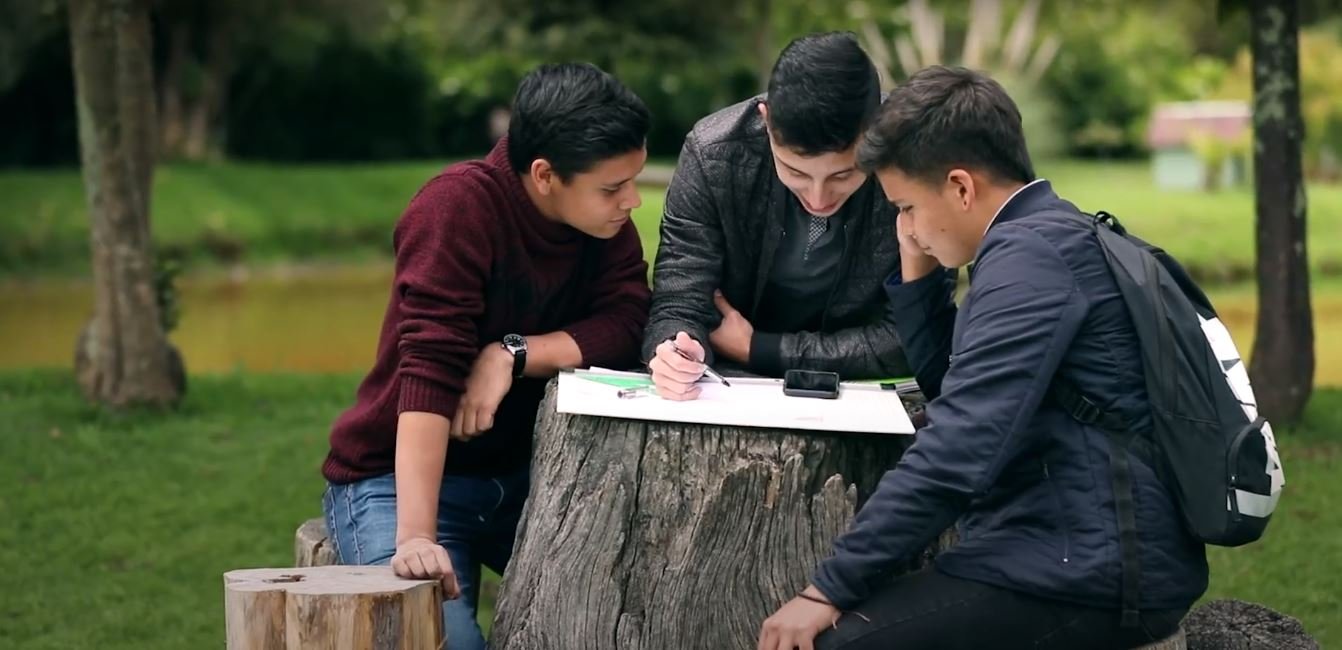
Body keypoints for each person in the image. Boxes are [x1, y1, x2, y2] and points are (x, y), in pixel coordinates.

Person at [758, 65, 1207, 650]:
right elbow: (961, 389)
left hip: (1088, 575)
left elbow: (958, 447)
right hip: (1071, 555)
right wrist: (917, 278)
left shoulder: (1031, 259)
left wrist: (827, 590)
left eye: (906, 207)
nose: (908, 229)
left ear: (961, 188)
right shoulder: (1045, 236)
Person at [320, 62, 652, 649]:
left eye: (634, 181)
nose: (631, 202)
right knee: (441, 642)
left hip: (533, 480)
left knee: (615, 624)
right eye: (611, 187)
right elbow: (427, 371)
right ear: (545, 174)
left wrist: (512, 354)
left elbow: (628, 323)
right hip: (398, 484)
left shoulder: (603, 225)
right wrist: (417, 537)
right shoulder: (457, 209)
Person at [644, 32, 922, 400]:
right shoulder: (712, 155)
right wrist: (677, 348)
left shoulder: (916, 160)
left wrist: (760, 348)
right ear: (766, 120)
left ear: (878, 131)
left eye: (843, 175)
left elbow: (914, 333)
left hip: (862, 398)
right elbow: (679, 296)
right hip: (725, 386)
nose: (819, 198)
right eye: (796, 172)